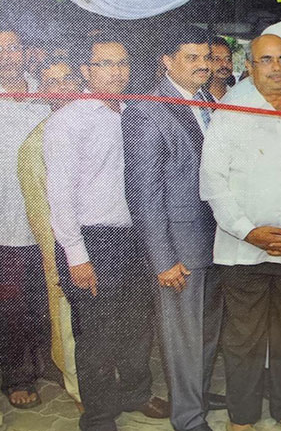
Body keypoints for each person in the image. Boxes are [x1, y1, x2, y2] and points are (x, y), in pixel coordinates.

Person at [200, 34, 281, 431]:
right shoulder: (230, 112)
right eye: (266, 60)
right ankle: (242, 418)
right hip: (243, 250)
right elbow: (213, 182)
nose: (276, 68)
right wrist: (248, 232)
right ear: (250, 65)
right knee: (244, 340)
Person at [44, 32, 169, 431]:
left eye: (122, 64)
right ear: (85, 71)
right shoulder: (69, 121)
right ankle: (98, 417)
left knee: (137, 325)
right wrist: (77, 255)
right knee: (96, 336)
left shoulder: (133, 113)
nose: (117, 72)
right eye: (106, 64)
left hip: (134, 238)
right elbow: (59, 195)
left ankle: (136, 393)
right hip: (92, 240)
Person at [122, 27, 225, 431]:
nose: (203, 65)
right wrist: (163, 259)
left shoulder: (206, 101)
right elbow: (143, 192)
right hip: (179, 249)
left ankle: (197, 397)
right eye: (192, 58)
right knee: (183, 339)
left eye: (207, 57)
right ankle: (188, 419)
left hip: (215, 241)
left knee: (207, 333)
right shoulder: (148, 110)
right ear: (167, 62)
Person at [16, 55, 83, 409]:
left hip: (107, 242)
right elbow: (41, 216)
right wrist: (62, 257)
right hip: (65, 251)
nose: (63, 88)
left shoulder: (99, 123)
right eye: (53, 82)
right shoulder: (36, 143)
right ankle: (79, 390)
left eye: (68, 79)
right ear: (42, 91)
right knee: (67, 321)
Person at [0, 27, 52, 410]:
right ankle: (16, 376)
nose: (7, 56)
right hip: (5, 223)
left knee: (46, 297)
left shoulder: (47, 91)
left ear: (26, 52)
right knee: (11, 306)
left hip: (46, 218)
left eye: (13, 48)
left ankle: (48, 362)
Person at [208, 36, 235, 101]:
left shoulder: (237, 95)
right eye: (217, 59)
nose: (224, 64)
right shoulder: (196, 98)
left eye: (228, 59)